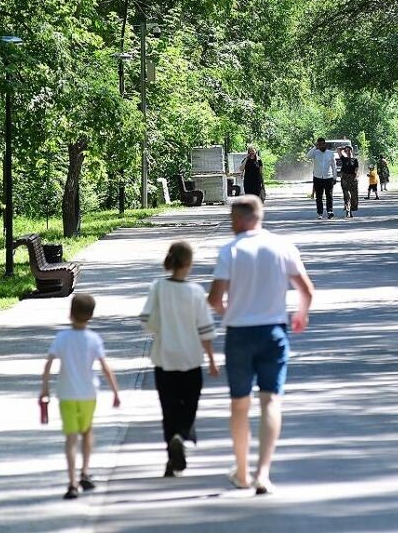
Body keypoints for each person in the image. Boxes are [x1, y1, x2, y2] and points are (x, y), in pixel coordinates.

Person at [208, 195, 314, 495]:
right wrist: (300, 315)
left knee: (240, 405)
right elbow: (306, 289)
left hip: (239, 335)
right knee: (270, 401)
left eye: (231, 219)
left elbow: (215, 299)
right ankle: (263, 474)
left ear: (241, 219)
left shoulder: (230, 251)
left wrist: (231, 313)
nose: (230, 225)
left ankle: (241, 472)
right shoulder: (282, 246)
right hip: (274, 333)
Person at [140, 241, 220, 477]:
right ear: (189, 264)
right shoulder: (195, 292)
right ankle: (182, 434)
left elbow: (146, 320)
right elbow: (205, 329)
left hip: (164, 358)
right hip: (191, 358)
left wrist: (160, 329)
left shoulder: (158, 288)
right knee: (190, 403)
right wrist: (212, 359)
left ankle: (170, 457)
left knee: (168, 408)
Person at [40, 294, 121, 500]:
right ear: (91, 316)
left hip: (66, 394)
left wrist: (45, 388)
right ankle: (85, 472)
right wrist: (115, 392)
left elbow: (49, 363)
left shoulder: (61, 338)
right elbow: (104, 366)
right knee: (86, 432)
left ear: (70, 313)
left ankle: (72, 483)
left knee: (70, 438)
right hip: (88, 394)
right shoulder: (93, 339)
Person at [306, 137, 336, 219]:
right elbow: (308, 156)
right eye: (319, 144)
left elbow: (334, 166)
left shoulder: (330, 153)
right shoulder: (315, 153)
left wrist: (334, 177)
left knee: (329, 196)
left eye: (322, 144)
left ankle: (330, 211)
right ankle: (320, 213)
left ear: (325, 144)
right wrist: (315, 147)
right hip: (317, 177)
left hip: (328, 177)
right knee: (319, 196)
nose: (321, 146)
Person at [337, 145, 359, 218]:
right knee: (347, 195)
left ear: (351, 151)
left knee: (353, 196)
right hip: (345, 178)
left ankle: (351, 211)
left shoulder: (355, 160)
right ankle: (347, 211)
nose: (348, 152)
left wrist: (355, 177)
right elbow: (338, 149)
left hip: (352, 178)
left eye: (349, 150)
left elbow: (356, 170)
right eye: (346, 151)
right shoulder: (343, 159)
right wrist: (344, 148)